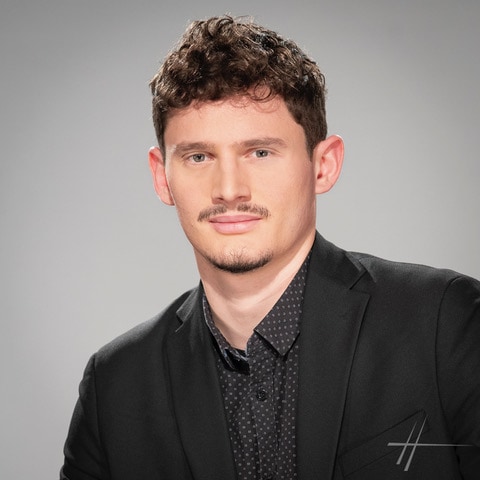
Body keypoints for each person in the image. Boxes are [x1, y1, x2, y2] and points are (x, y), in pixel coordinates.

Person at [60, 15, 480, 480]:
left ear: (323, 165)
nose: (229, 189)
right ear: (162, 177)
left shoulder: (446, 323)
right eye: (199, 156)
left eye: (260, 152)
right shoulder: (113, 387)